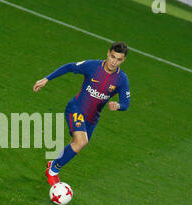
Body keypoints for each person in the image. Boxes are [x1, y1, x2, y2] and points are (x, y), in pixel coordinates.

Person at [33, 41, 131, 185]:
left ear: (123, 60)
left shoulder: (121, 79)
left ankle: (54, 162)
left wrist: (118, 105)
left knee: (75, 144)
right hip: (76, 109)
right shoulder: (92, 66)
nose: (114, 62)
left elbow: (126, 103)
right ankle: (53, 170)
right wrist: (47, 79)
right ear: (108, 53)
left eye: (119, 60)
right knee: (81, 141)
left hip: (92, 118)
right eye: (112, 57)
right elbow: (70, 67)